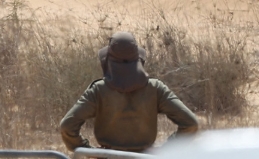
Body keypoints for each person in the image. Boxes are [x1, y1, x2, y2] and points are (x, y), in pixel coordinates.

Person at [60, 31, 199, 152]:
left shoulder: (99, 90)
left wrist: (89, 151)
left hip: (108, 157)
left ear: (108, 61)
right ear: (138, 59)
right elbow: (190, 124)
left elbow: (67, 127)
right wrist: (164, 151)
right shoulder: (156, 88)